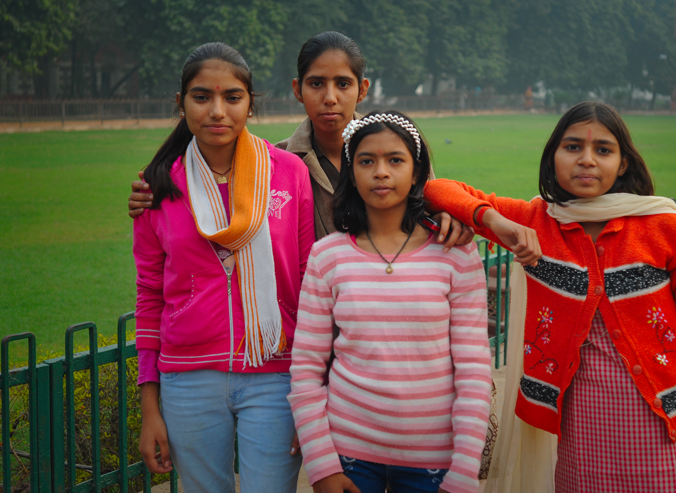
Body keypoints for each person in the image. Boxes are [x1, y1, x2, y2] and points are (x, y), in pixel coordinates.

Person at [423, 101, 676, 493]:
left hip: (663, 426)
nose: (586, 160)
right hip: (583, 430)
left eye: (603, 150)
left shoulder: (663, 225)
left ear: (623, 163)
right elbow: (436, 189)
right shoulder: (538, 222)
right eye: (572, 147)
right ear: (553, 156)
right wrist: (495, 220)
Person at [133, 42, 314, 493]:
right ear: (181, 104)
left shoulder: (288, 174)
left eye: (232, 97)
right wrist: (150, 407)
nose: (217, 110)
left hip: (277, 375)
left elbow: (311, 285)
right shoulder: (157, 184)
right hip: (188, 379)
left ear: (251, 104)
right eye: (201, 97)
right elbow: (150, 295)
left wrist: (314, 395)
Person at [288, 111, 492, 493]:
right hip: (349, 457)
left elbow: (474, 372)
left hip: (435, 460)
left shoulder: (456, 255)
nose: (381, 171)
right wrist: (321, 466)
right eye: (367, 161)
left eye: (395, 160)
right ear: (351, 172)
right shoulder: (326, 256)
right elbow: (306, 367)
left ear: (417, 172)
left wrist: (464, 472)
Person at [127, 31, 472, 248]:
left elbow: (426, 201)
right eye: (316, 83)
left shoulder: (399, 150)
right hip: (315, 320)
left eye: (343, 84)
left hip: (388, 301)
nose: (330, 97)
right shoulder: (278, 163)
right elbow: (215, 184)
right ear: (297, 90)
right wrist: (156, 187)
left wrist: (450, 216)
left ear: (362, 90)